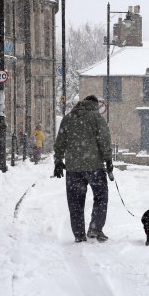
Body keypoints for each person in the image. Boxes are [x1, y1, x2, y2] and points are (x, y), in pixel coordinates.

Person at [53, 95, 113, 243]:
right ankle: (95, 228)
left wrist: (58, 161)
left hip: (73, 168)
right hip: (95, 167)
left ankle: (79, 234)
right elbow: (104, 139)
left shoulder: (68, 118)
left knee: (75, 202)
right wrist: (108, 159)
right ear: (94, 104)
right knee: (101, 197)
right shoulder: (96, 118)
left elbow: (60, 141)